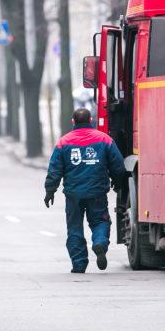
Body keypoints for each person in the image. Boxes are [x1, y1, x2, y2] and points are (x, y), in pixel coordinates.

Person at [44, 108, 127, 273]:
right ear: (91, 119)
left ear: (73, 121)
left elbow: (54, 170)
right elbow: (118, 166)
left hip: (73, 194)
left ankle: (79, 264)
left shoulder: (63, 142)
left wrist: (50, 191)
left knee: (74, 227)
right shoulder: (105, 140)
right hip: (97, 192)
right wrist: (118, 183)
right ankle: (100, 243)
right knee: (100, 221)